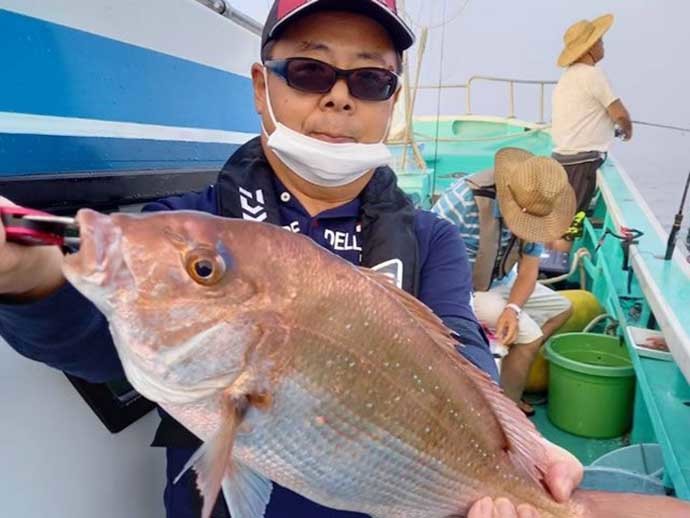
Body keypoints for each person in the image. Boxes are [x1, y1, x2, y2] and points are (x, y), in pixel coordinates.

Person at [0, 1, 582, 516]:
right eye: (309, 70)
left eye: (371, 80)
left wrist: (520, 466)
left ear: (392, 102)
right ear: (260, 87)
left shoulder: (432, 239)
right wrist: (27, 279)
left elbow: (463, 349)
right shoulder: (187, 220)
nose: (339, 96)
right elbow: (98, 342)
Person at [433, 148, 575, 416]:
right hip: (459, 290)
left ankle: (507, 374)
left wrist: (513, 309)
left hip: (499, 281)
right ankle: (507, 413)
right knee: (530, 337)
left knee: (563, 309)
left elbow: (529, 269)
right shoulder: (462, 201)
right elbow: (426, 256)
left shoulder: (536, 205)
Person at [551, 13, 633, 214]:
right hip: (582, 163)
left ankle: (552, 246)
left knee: (559, 220)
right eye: (600, 41)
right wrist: (627, 130)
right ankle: (560, 247)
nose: (603, 45)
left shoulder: (566, 78)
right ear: (590, 47)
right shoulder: (594, 75)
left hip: (561, 158)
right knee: (568, 227)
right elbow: (620, 115)